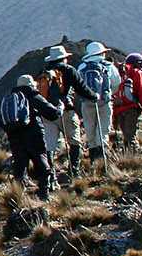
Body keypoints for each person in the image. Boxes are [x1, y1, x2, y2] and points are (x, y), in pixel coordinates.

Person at [0, 74, 63, 199]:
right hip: (34, 137)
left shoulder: (11, 98)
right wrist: (60, 108)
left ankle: (17, 198)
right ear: (31, 85)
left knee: (20, 169)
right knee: (42, 165)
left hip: (15, 139)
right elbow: (52, 113)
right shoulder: (33, 95)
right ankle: (43, 195)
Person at [39, 45, 99, 178]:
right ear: (63, 58)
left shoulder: (43, 72)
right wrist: (94, 96)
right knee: (74, 140)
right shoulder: (68, 70)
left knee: (50, 145)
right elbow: (82, 88)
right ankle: (74, 172)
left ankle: (50, 176)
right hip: (66, 111)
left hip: (47, 113)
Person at [75, 42, 122, 171]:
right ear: (102, 52)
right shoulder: (108, 66)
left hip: (87, 103)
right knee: (103, 130)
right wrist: (108, 94)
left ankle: (93, 160)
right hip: (104, 103)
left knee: (90, 131)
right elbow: (116, 83)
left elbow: (77, 86)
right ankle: (103, 162)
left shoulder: (82, 67)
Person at [113, 53, 142, 153]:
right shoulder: (137, 73)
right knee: (131, 136)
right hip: (131, 109)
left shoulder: (119, 73)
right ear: (137, 63)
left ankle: (124, 157)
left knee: (124, 135)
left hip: (118, 110)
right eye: (141, 63)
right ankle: (133, 157)